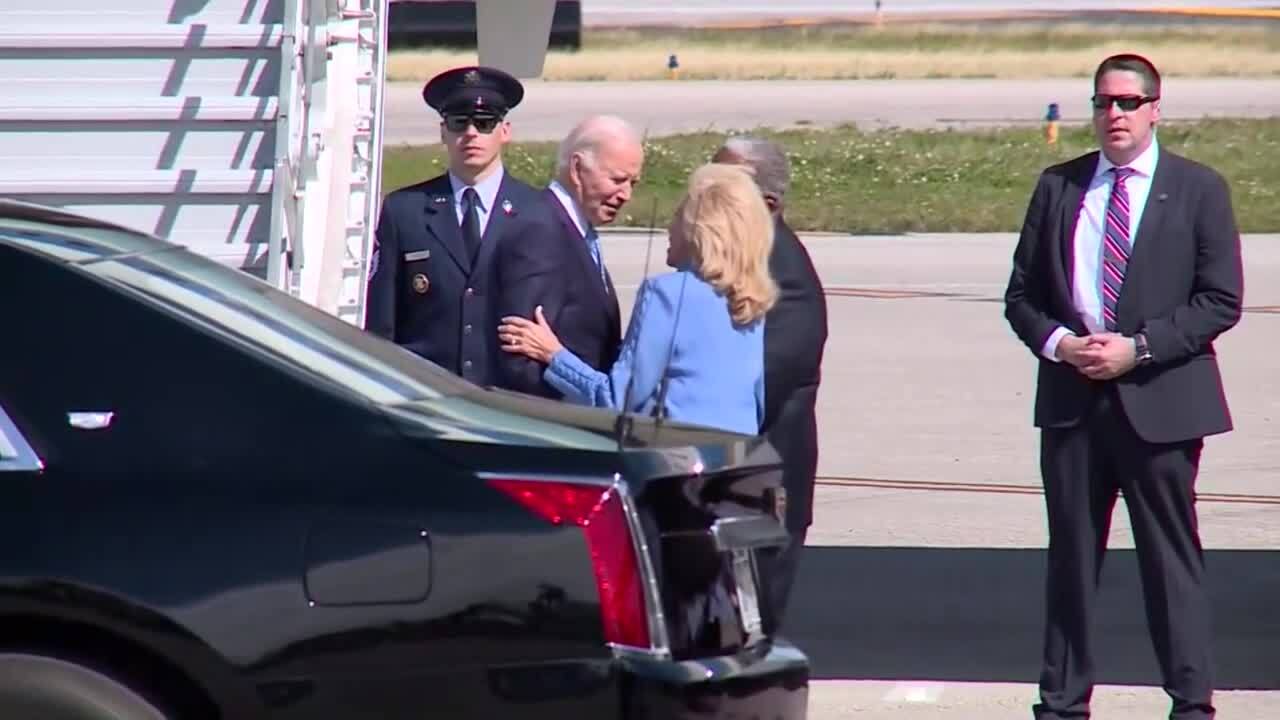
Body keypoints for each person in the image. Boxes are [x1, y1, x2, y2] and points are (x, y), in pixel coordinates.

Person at [1003, 53, 1243, 720]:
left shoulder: (1198, 189)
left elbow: (1220, 300)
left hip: (1161, 405)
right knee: (1071, 566)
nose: (1115, 115)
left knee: (1171, 564)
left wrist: (1138, 349)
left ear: (1155, 109)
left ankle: (1191, 702)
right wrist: (1062, 345)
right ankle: (1061, 702)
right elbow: (1021, 296)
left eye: (1129, 103)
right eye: (1104, 102)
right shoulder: (1058, 186)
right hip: (1073, 404)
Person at [497, 163, 777, 435]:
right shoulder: (749, 298)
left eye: (679, 215)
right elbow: (757, 404)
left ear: (700, 230)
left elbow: (616, 400)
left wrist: (553, 354)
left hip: (680, 465)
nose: (670, 227)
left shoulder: (666, 295)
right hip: (739, 462)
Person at [364, 65, 553, 387]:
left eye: (484, 123)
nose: (470, 134)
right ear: (443, 132)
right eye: (458, 123)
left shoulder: (539, 211)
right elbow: (382, 325)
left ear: (504, 131)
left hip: (511, 396)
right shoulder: (404, 210)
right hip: (424, 394)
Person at [712, 136, 828, 626]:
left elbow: (746, 395)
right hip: (726, 496)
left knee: (746, 637)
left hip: (759, 503)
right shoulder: (729, 266)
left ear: (769, 206)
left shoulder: (789, 285)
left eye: (723, 189)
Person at [491, 115, 644, 397]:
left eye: (633, 183)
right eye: (618, 180)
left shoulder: (578, 230)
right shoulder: (540, 229)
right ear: (577, 168)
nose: (626, 195)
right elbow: (519, 354)